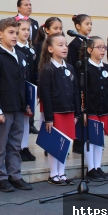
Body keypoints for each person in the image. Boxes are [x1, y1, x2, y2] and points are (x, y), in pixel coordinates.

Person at [0, 17, 32, 192]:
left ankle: (15, 174)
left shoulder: (20, 55)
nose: (15, 36)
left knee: (15, 143)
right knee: (0, 144)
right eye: (11, 32)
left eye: (17, 32)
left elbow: (23, 83)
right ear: (0, 34)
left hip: (18, 107)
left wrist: (27, 104)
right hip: (3, 109)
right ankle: (1, 177)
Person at [38, 33, 80, 185]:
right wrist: (48, 117)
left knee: (65, 143)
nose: (64, 48)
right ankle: (53, 173)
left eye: (66, 45)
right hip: (56, 113)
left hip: (69, 112)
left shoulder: (69, 67)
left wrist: (77, 112)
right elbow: (46, 95)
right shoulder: (48, 69)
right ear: (50, 48)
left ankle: (62, 173)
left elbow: (75, 90)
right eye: (60, 45)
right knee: (55, 143)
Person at [82, 37, 108, 182]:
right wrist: (84, 110)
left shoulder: (107, 68)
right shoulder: (85, 68)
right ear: (90, 50)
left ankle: (98, 166)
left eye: (104, 47)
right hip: (91, 110)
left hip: (104, 109)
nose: (103, 50)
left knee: (100, 140)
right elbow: (82, 92)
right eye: (99, 47)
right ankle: (90, 168)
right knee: (91, 140)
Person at [67, 13, 92, 154]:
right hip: (79, 83)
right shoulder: (75, 44)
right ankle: (78, 144)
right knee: (80, 113)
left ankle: (87, 141)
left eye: (91, 24)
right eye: (86, 23)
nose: (89, 26)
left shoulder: (89, 42)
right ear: (77, 26)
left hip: (89, 84)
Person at [15, 18, 37, 161]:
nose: (26, 32)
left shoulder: (30, 49)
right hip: (18, 90)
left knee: (27, 119)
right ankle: (17, 148)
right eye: (23, 29)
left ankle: (24, 147)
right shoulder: (15, 49)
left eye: (28, 30)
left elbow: (34, 70)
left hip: (29, 88)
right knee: (18, 120)